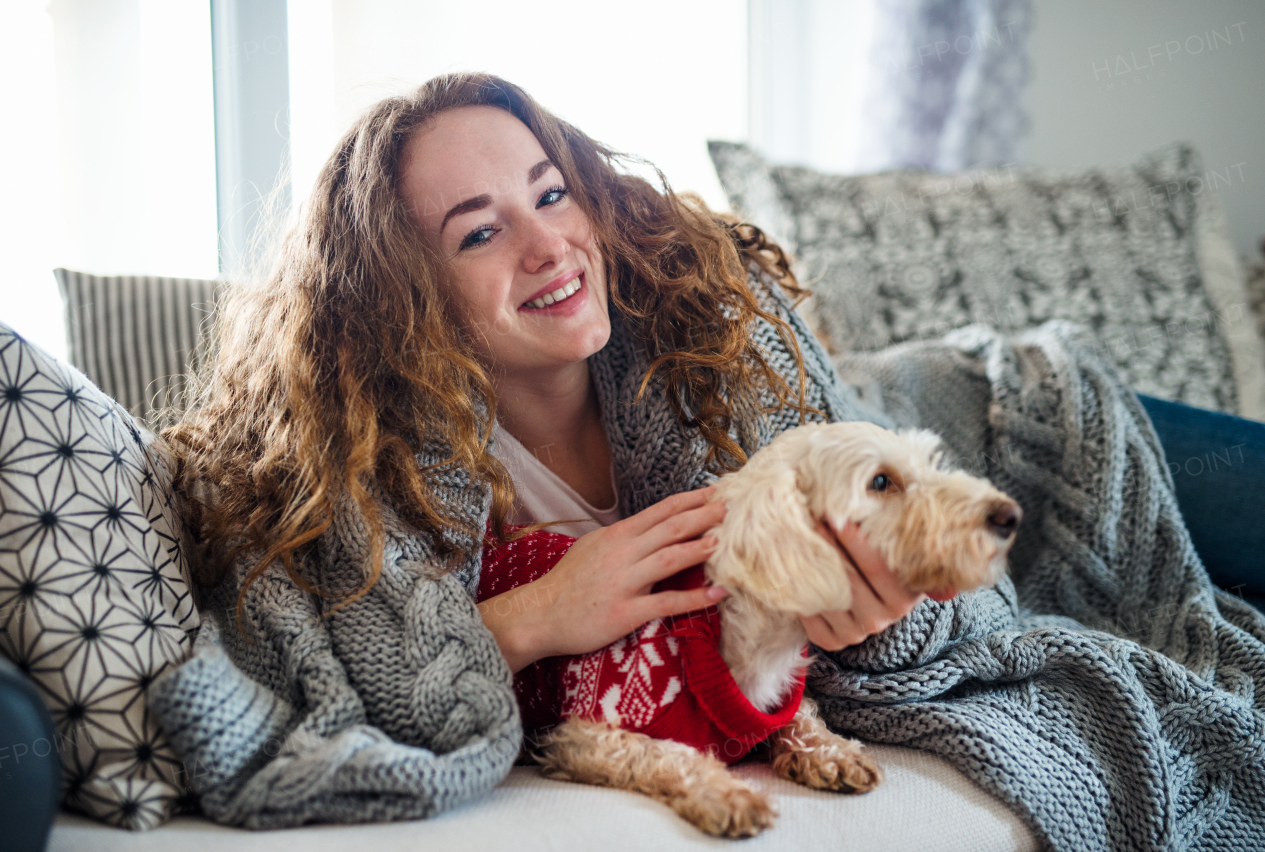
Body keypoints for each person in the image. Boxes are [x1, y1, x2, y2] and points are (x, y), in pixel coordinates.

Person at [166, 72, 934, 677]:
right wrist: (539, 615)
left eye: (551, 194)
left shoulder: (715, 342)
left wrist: (878, 617)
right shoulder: (373, 458)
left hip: (931, 392)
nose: (549, 246)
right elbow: (311, 663)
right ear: (405, 297)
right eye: (481, 232)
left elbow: (961, 598)